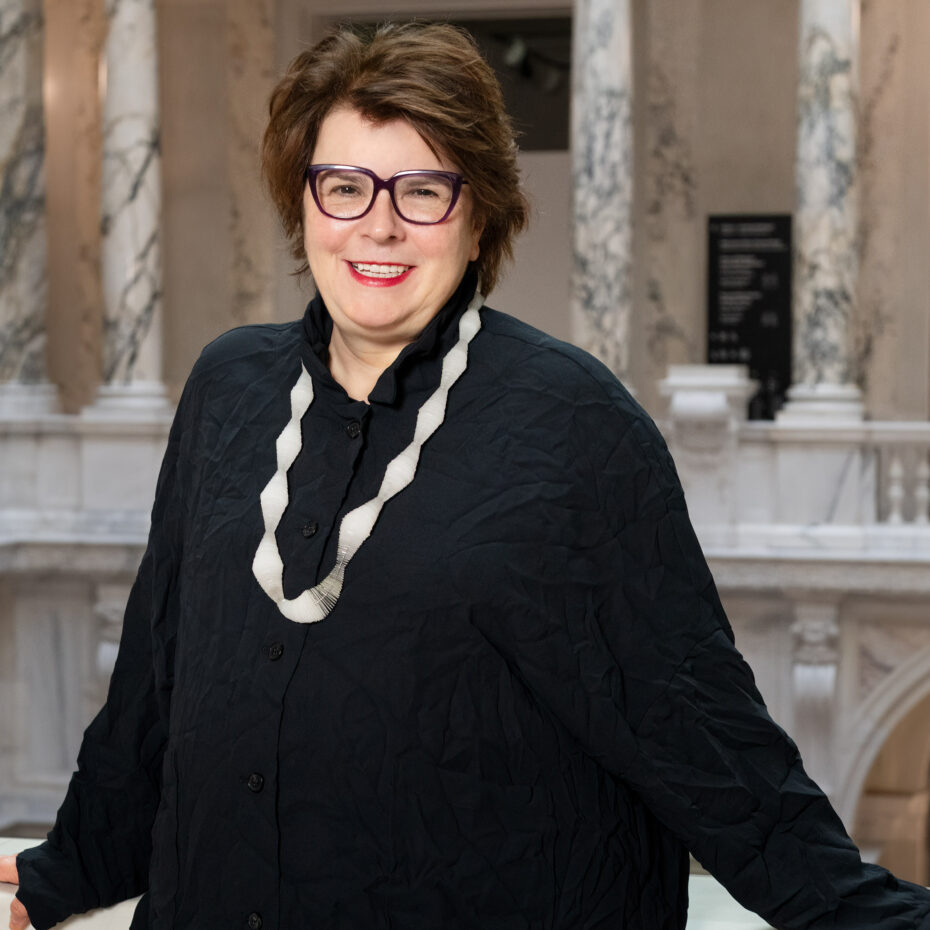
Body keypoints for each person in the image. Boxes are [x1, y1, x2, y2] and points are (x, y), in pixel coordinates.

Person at [2, 20, 930, 930]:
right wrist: (51, 879)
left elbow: (702, 738)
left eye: (423, 191)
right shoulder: (227, 387)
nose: (379, 226)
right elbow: (154, 698)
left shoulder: (574, 422)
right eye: (344, 186)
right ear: (302, 200)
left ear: (478, 215)